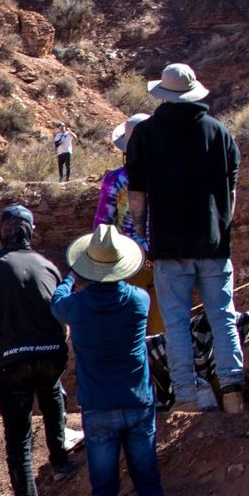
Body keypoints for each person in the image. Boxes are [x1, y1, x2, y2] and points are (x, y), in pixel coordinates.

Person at [52, 224, 170, 496]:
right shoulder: (138, 301)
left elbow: (56, 302)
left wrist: (70, 277)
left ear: (89, 267)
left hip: (99, 410)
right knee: (148, 485)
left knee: (104, 492)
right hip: (137, 404)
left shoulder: (76, 307)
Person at [124, 62, 245, 411]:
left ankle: (187, 398)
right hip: (213, 244)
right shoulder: (218, 131)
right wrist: (221, 228)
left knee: (175, 323)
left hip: (169, 246)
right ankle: (233, 393)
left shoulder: (146, 134)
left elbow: (137, 195)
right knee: (222, 316)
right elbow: (231, 191)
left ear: (163, 94)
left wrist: (143, 235)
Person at [0, 205, 82, 496]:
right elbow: (62, 316)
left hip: (12, 360)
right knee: (52, 397)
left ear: (1, 230)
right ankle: (60, 462)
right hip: (51, 354)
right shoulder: (48, 264)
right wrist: (58, 346)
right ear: (30, 231)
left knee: (18, 440)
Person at [95, 114, 165, 334]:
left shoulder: (114, 180)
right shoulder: (168, 174)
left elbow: (103, 225)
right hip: (165, 259)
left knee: (132, 330)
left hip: (127, 263)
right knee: (163, 331)